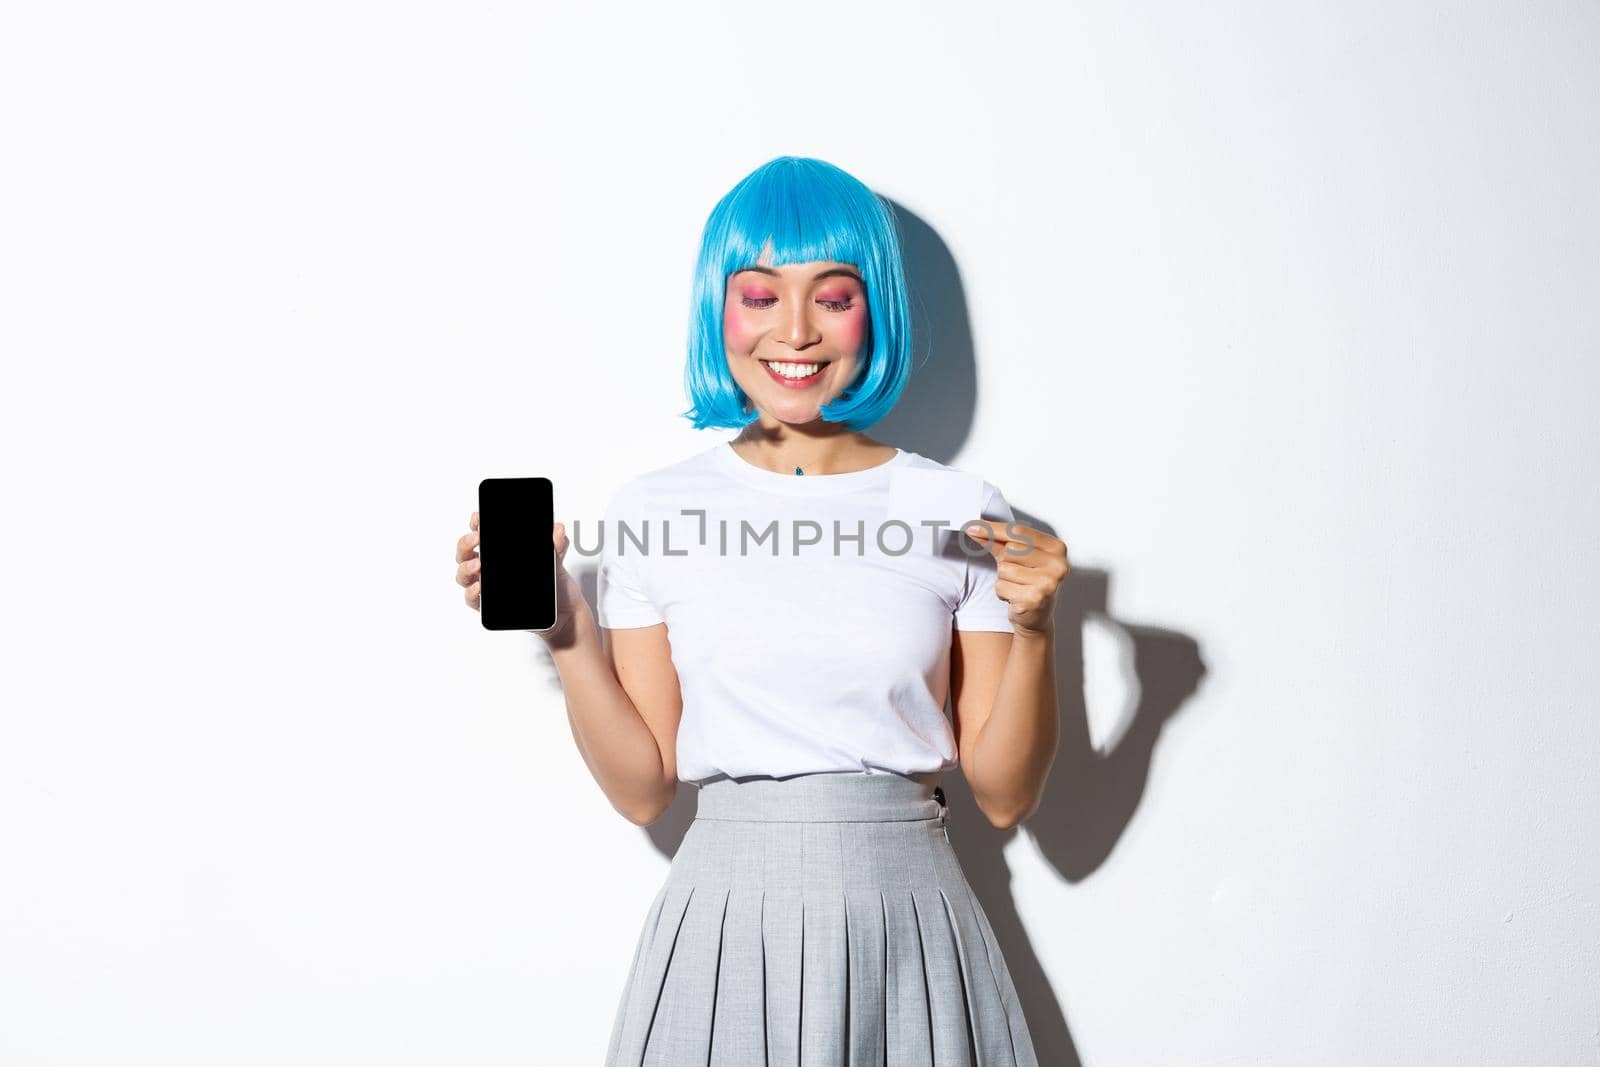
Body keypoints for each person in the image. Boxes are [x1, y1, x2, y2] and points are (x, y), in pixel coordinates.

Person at [454, 155, 1068, 1065]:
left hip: (909, 911)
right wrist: (568, 629)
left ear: (875, 310)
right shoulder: (655, 511)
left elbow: (1006, 795)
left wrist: (1035, 631)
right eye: (759, 294)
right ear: (720, 308)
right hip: (726, 916)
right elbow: (642, 786)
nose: (795, 330)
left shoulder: (958, 510)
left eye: (832, 296)